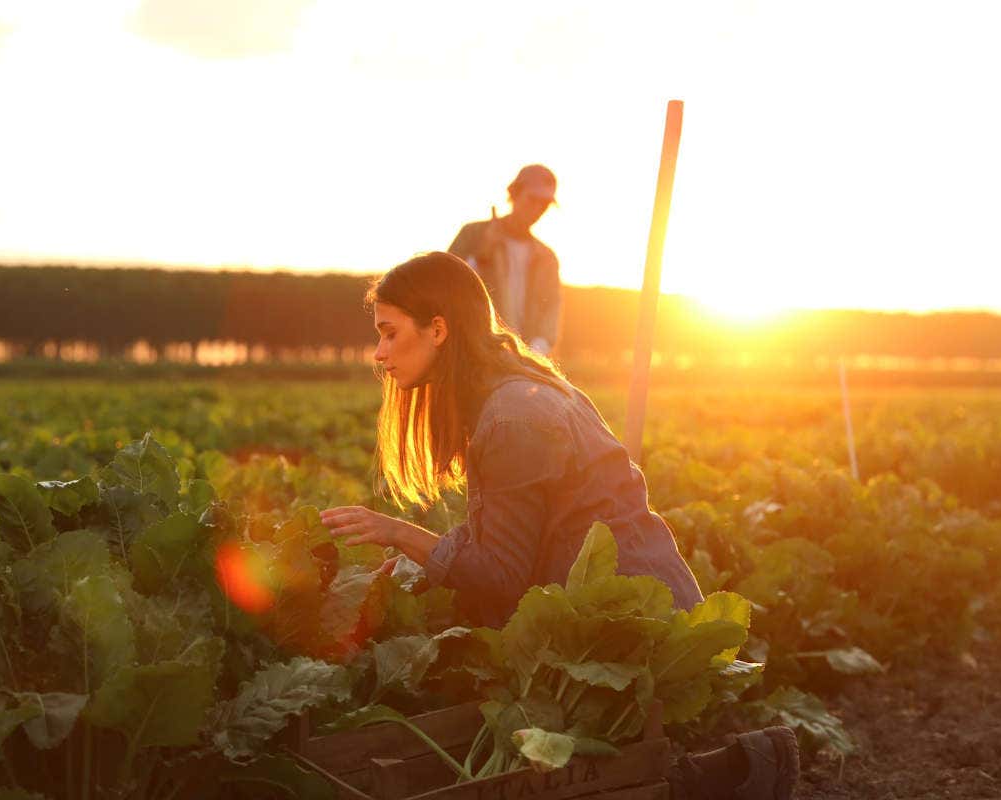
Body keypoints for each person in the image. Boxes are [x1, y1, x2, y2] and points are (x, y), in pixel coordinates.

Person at [319, 251, 799, 800]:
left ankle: (735, 770)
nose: (379, 353)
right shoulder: (511, 397)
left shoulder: (513, 417)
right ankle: (733, 768)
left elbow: (500, 576)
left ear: (438, 329)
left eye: (388, 333)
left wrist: (399, 533)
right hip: (610, 621)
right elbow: (502, 551)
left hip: (629, 631)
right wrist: (417, 564)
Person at [448, 164, 561, 356]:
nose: (536, 209)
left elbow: (551, 312)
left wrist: (532, 355)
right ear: (514, 194)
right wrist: (482, 255)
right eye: (532, 200)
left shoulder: (546, 258)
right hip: (472, 352)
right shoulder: (472, 235)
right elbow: (446, 287)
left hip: (522, 360)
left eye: (543, 204)